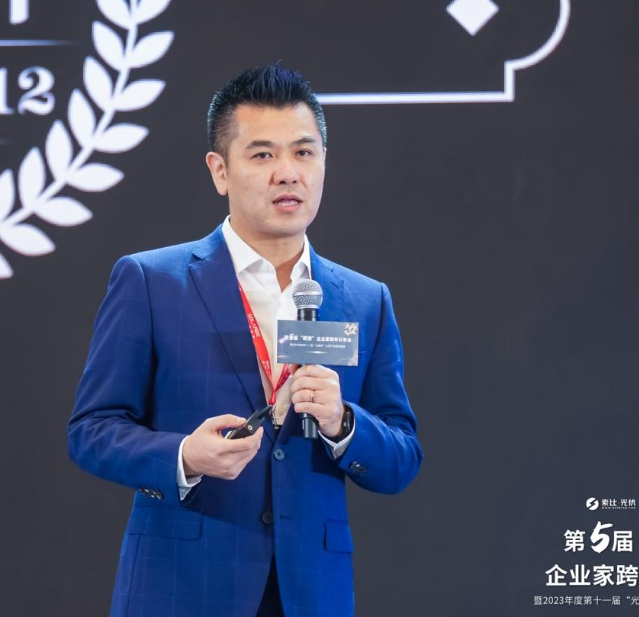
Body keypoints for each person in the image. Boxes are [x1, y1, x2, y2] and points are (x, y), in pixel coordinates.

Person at [68, 65, 422, 617]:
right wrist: (184, 455)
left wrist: (343, 423)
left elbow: (402, 456)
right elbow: (91, 430)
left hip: (310, 593)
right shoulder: (152, 281)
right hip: (183, 587)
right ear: (220, 171)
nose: (288, 173)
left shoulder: (363, 299)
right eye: (262, 155)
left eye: (304, 153)